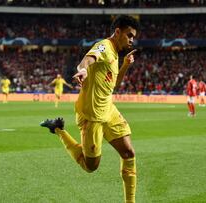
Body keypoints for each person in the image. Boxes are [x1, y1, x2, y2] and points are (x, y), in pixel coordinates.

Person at [40, 15, 139, 203]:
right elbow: (88, 59)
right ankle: (58, 130)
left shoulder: (116, 54)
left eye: (133, 37)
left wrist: (125, 65)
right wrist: (83, 69)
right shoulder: (104, 46)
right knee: (90, 166)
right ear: (118, 32)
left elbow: (113, 86)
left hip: (108, 109)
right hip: (91, 115)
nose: (131, 40)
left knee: (129, 153)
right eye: (129, 35)